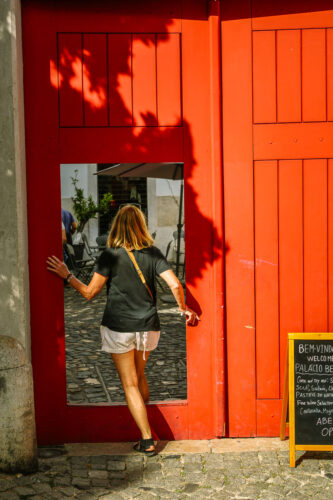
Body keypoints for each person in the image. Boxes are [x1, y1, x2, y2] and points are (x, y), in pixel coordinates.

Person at [47, 205, 199, 456]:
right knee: (139, 377)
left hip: (119, 327)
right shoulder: (153, 253)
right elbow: (174, 284)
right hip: (147, 326)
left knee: (129, 384)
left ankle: (147, 438)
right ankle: (145, 423)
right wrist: (183, 309)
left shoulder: (109, 255)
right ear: (141, 225)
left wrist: (67, 276)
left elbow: (89, 292)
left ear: (117, 226)